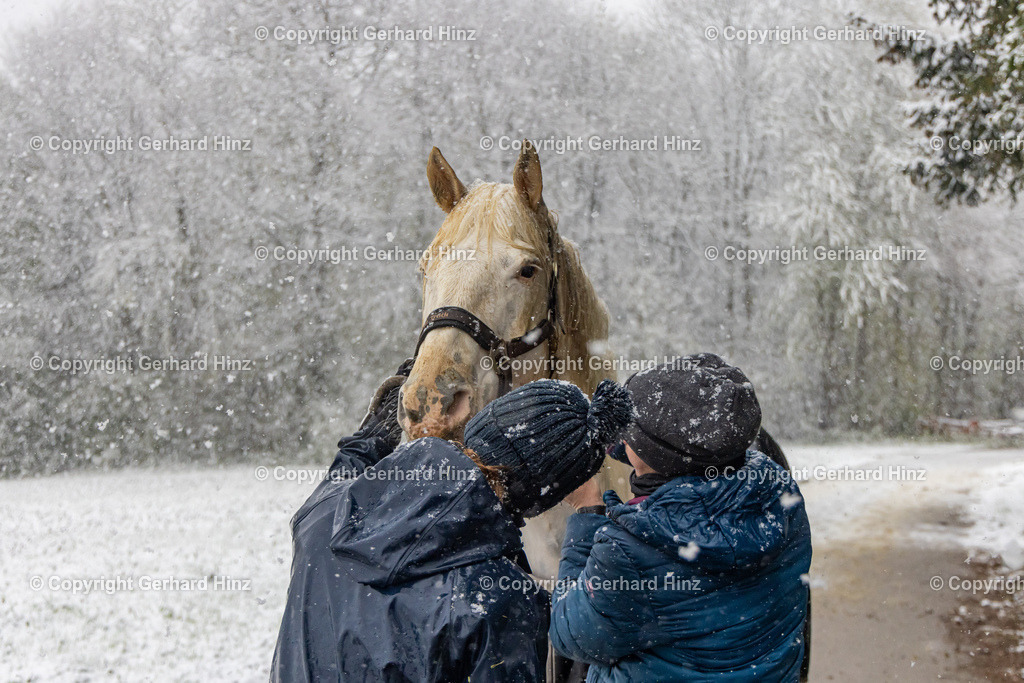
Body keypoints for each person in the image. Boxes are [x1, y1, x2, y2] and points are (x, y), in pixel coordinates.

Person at [271, 362, 633, 683]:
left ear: (483, 426)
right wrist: (590, 512)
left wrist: (387, 413)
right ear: (542, 497)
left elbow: (350, 464)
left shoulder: (325, 513)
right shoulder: (500, 602)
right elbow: (587, 631)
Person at [550, 353, 812, 682]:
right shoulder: (778, 489)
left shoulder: (632, 548)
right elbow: (681, 458)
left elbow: (570, 634)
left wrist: (588, 510)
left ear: (647, 451)